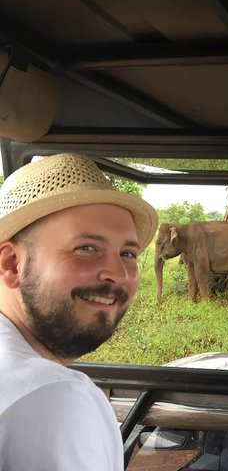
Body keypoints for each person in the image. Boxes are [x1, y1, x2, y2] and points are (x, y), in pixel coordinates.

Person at [0, 153, 158, 470]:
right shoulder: (54, 397)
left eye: (128, 253)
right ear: (11, 264)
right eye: (86, 248)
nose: (120, 274)